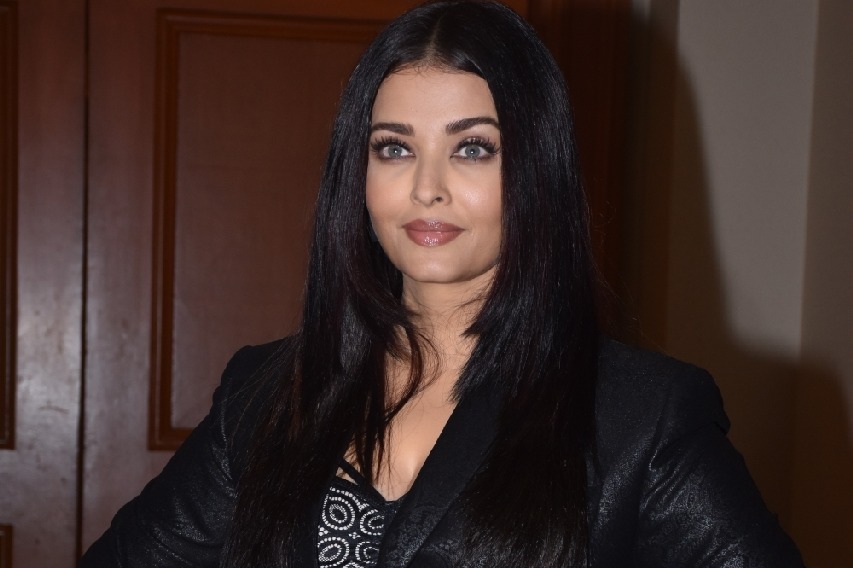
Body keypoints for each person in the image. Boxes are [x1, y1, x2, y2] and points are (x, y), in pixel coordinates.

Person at [80, 1, 804, 566]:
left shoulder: (642, 416)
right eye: (394, 148)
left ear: (536, 172)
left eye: (473, 148)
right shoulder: (265, 394)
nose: (427, 187)